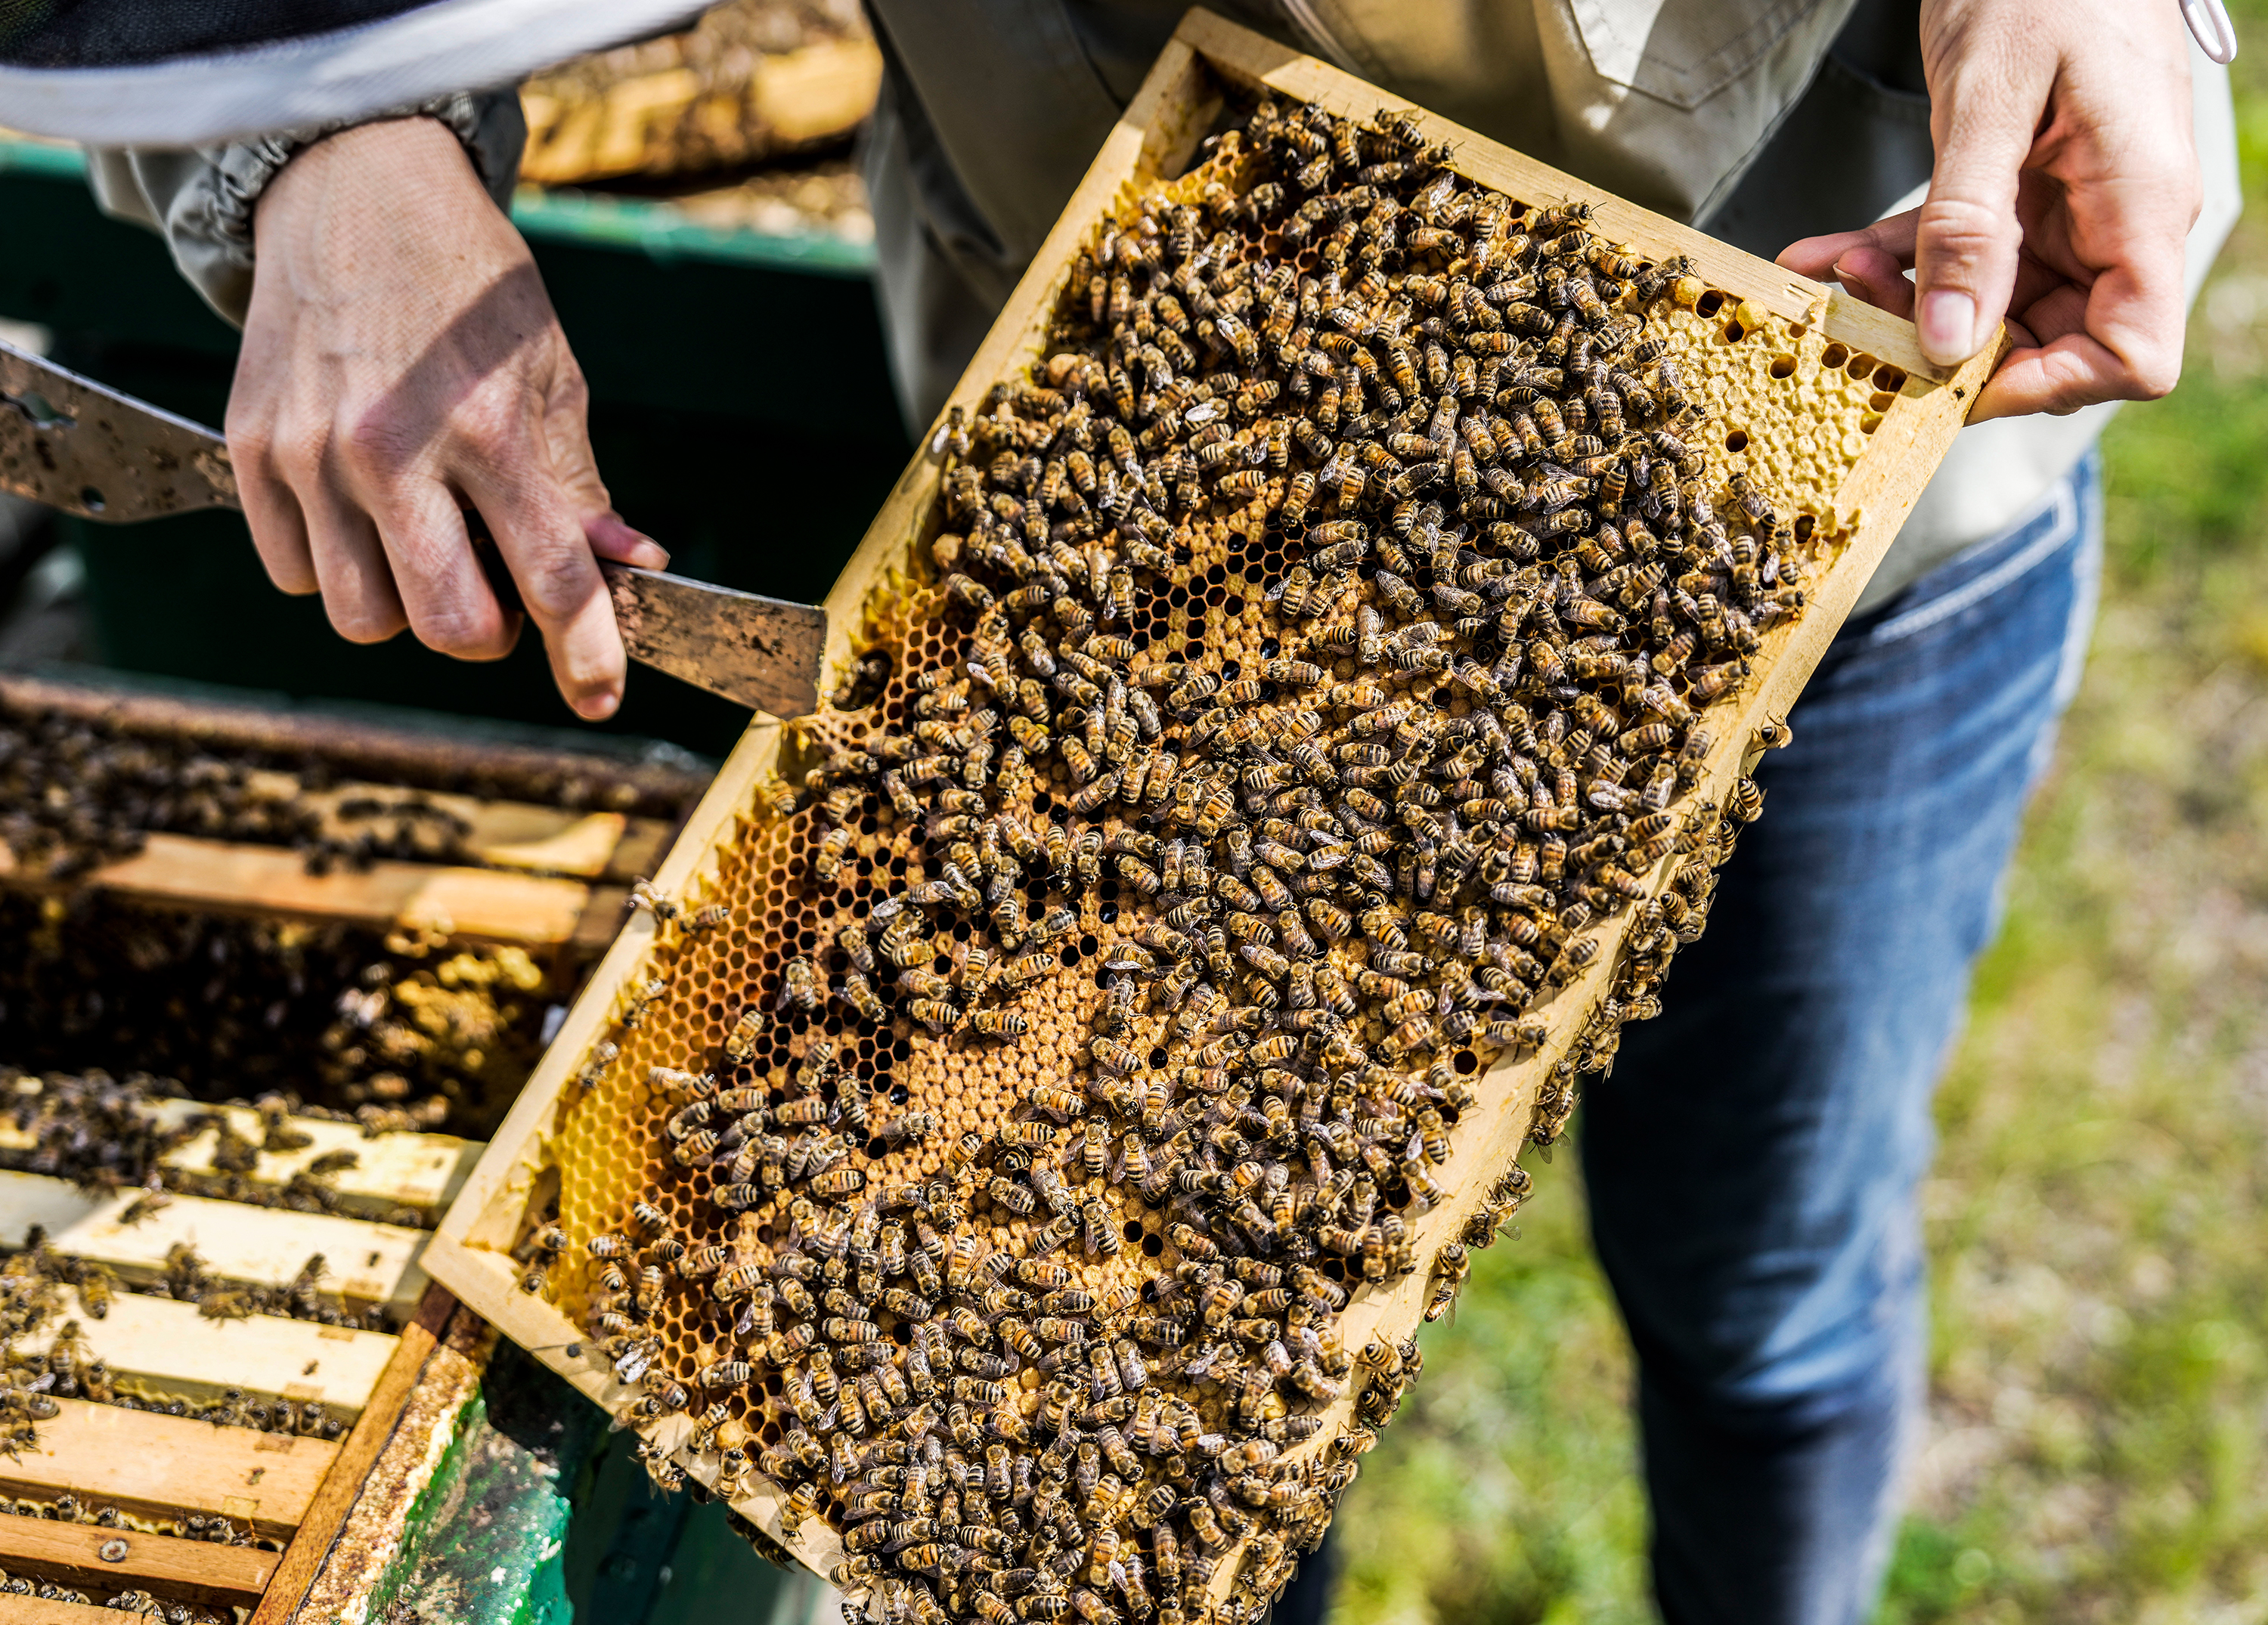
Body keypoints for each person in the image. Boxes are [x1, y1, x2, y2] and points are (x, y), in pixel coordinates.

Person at [14, 1, 2239, 1619]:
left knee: (1771, 1292)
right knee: (1155, 1365)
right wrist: (329, 125)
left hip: (1836, 453)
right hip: (1128, 536)